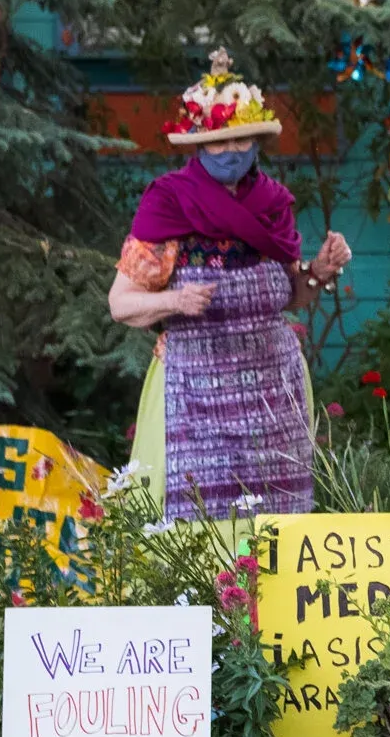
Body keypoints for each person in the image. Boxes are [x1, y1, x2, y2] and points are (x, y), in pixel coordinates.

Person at [108, 50, 350, 520]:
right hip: (192, 393)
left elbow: (292, 294)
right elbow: (121, 304)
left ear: (258, 142)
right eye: (219, 143)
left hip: (272, 391)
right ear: (199, 145)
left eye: (242, 140)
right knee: (195, 521)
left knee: (276, 523)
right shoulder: (169, 204)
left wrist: (319, 270)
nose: (232, 152)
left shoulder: (273, 205)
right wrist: (175, 299)